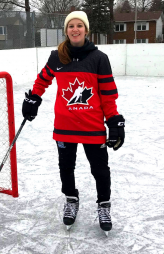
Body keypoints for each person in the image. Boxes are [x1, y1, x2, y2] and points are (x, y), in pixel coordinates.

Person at [22, 11, 125, 235]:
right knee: (66, 168)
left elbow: (107, 95)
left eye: (79, 26)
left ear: (86, 30)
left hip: (92, 127)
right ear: (66, 30)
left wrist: (114, 122)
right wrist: (34, 98)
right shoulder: (57, 57)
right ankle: (71, 199)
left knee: (100, 170)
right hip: (65, 126)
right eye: (71, 26)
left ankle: (103, 205)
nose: (75, 29)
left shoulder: (99, 58)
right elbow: (42, 80)